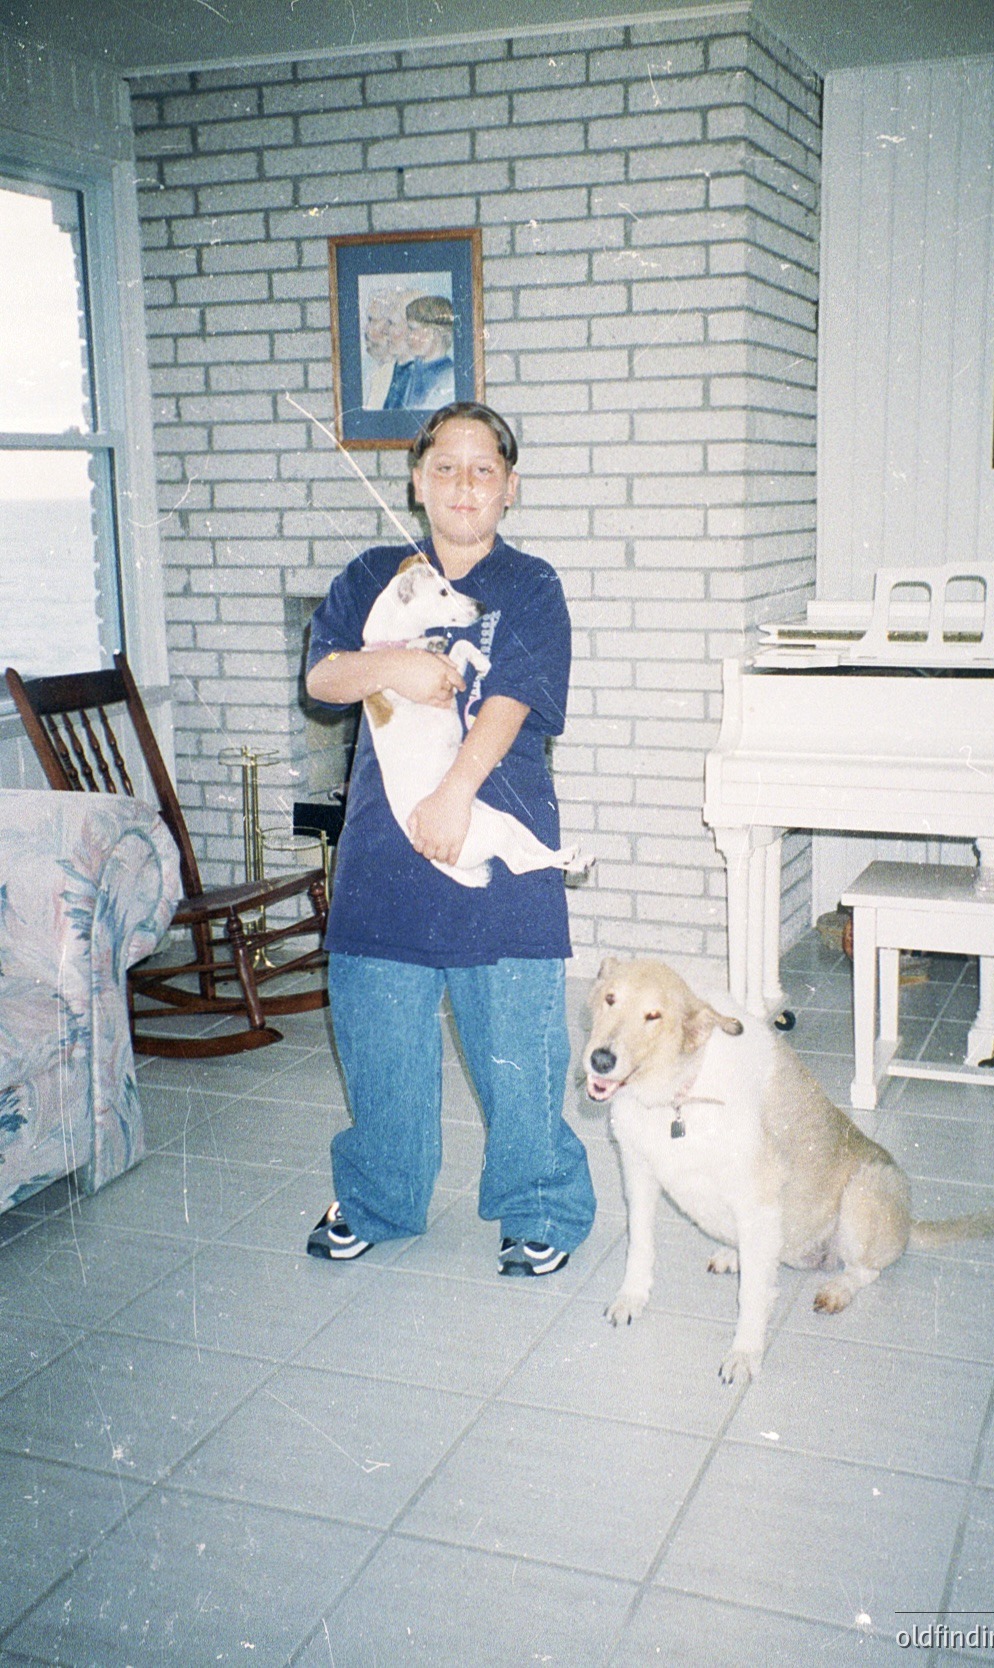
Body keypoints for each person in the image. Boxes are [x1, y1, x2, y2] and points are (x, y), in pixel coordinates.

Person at [304, 401, 596, 1276]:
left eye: (483, 469)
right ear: (416, 481)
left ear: (511, 488)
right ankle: (378, 1199)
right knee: (380, 1038)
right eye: (445, 467)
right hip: (383, 856)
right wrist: (395, 665)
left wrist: (454, 794)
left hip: (492, 835)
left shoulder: (531, 585)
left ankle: (538, 1203)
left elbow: (512, 699)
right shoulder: (371, 575)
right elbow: (323, 677)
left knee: (518, 1044)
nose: (463, 484)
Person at [383, 294, 456, 412]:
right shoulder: (410, 371)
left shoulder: (448, 376)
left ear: (435, 334)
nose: (408, 336)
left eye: (412, 329)